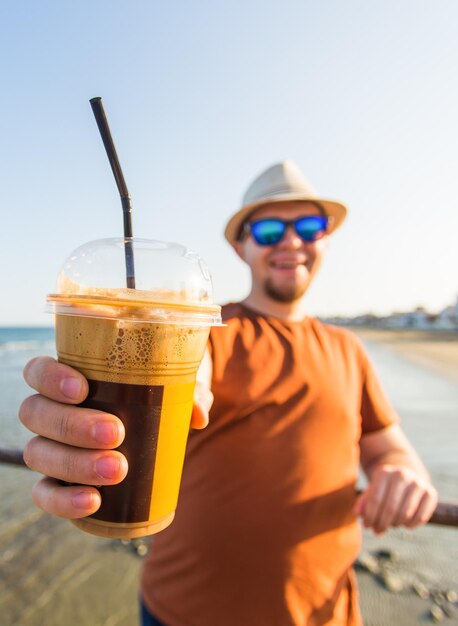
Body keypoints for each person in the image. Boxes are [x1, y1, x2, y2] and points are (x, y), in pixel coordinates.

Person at [20, 160, 438, 626]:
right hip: (184, 611)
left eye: (309, 226)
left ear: (324, 240)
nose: (291, 241)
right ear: (241, 246)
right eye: (269, 230)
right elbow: (191, 368)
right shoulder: (209, 333)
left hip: (328, 613)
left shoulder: (349, 350)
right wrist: (80, 416)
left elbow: (390, 450)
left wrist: (403, 474)